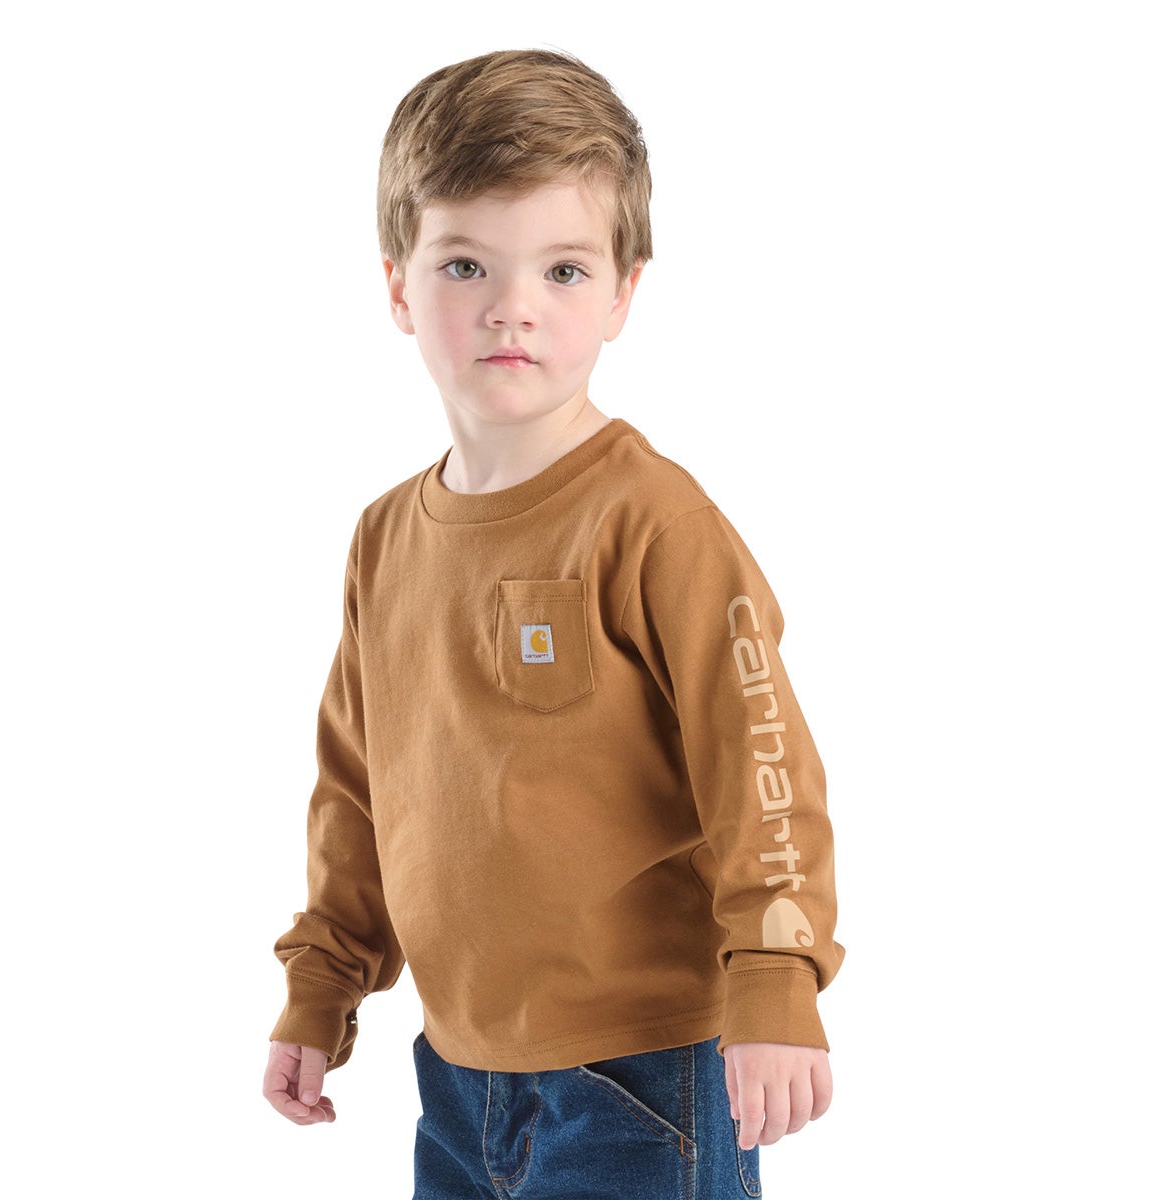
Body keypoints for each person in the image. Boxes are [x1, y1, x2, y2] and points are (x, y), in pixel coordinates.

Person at [263, 48, 844, 1197]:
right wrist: (323, 981)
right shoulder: (385, 540)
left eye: (564, 270)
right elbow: (356, 788)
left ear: (624, 293)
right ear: (398, 287)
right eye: (465, 264)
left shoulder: (657, 524)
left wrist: (777, 972)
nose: (512, 306)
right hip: (457, 1074)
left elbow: (761, 762)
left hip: (645, 1077)